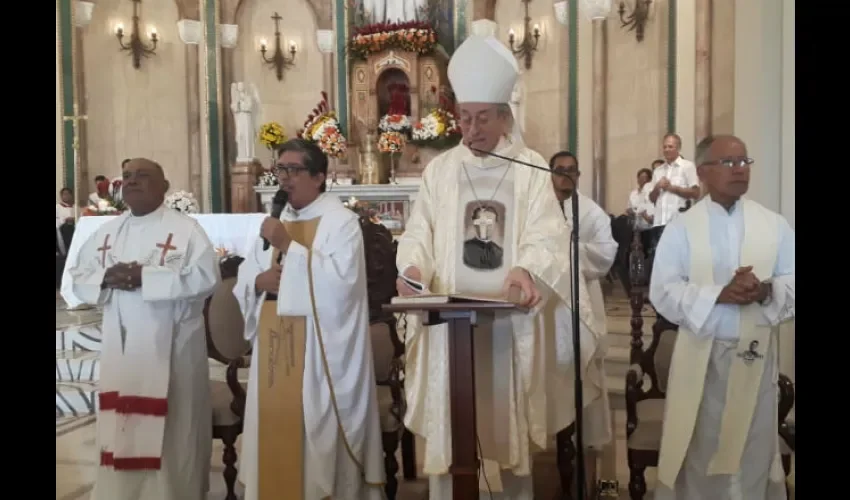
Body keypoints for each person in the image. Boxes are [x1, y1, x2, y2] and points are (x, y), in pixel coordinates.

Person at [396, 34, 606, 499]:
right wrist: (411, 267)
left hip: (507, 321)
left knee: (507, 436)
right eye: (464, 118)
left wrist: (526, 271)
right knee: (453, 435)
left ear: (505, 116)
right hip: (449, 324)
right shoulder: (440, 170)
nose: (471, 129)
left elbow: (547, 234)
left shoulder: (529, 167)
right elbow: (419, 231)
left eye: (483, 118)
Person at [234, 139, 385, 500]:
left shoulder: (341, 223)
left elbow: (342, 288)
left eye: (294, 170)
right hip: (274, 344)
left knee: (314, 433)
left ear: (319, 176)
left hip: (320, 349)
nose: (284, 178)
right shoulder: (277, 221)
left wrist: (288, 247)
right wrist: (258, 282)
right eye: (280, 170)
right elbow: (248, 272)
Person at [65, 158, 221, 500]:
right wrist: (107, 277)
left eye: (143, 176)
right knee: (121, 426)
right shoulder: (107, 232)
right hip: (121, 351)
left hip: (173, 347)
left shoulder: (185, 230)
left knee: (173, 432)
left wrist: (143, 277)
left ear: (164, 187)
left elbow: (207, 278)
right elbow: (78, 275)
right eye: (128, 177)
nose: (132, 182)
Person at [649, 135, 795, 500]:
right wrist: (720, 294)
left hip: (755, 361)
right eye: (729, 163)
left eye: (745, 161)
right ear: (702, 172)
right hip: (704, 360)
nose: (740, 169)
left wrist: (764, 291)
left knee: (752, 456)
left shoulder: (773, 224)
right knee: (702, 454)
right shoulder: (681, 228)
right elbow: (663, 291)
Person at [56, 187, 76, 255]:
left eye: (68, 194)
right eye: (64, 194)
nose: (66, 196)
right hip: (63, 228)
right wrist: (64, 220)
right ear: (61, 196)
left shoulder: (75, 207)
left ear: (71, 195)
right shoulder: (57, 207)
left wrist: (74, 219)